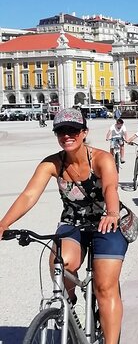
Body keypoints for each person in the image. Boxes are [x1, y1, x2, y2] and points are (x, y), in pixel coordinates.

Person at [0, 108, 126, 343]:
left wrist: (112, 212)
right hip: (73, 223)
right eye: (61, 131)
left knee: (104, 287)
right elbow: (29, 195)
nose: (67, 135)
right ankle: (67, 306)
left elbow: (110, 187)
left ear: (84, 132)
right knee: (59, 261)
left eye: (73, 130)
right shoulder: (52, 163)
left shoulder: (101, 158)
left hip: (106, 222)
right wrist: (3, 224)